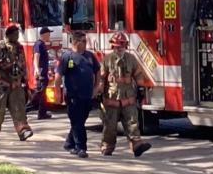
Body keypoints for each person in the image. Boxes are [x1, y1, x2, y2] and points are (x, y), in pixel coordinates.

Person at [96, 31, 152, 159]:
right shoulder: (107, 60)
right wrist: (99, 92)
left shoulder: (131, 59)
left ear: (126, 46)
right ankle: (107, 147)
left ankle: (137, 146)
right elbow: (101, 78)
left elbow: (138, 74)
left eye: (121, 45)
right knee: (110, 126)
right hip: (111, 99)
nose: (119, 48)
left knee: (132, 123)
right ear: (112, 47)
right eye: (116, 46)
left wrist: (141, 88)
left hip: (128, 99)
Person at [0, 24, 34, 141]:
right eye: (15, 34)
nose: (17, 36)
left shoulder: (19, 48)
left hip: (16, 84)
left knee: (19, 108)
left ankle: (23, 130)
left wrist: (24, 81)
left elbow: (23, 65)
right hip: (1, 85)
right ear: (9, 35)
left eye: (18, 34)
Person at [58, 30, 99, 157]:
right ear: (75, 42)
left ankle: (69, 143)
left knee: (80, 120)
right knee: (77, 121)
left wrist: (96, 87)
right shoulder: (67, 56)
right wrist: (58, 91)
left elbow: (97, 71)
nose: (86, 43)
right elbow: (58, 75)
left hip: (87, 95)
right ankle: (81, 147)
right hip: (72, 95)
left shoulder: (90, 56)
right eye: (84, 41)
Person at [30, 27, 55, 118]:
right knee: (40, 92)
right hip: (40, 72)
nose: (49, 36)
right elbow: (36, 56)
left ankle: (42, 113)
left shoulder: (42, 44)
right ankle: (28, 107)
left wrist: (48, 70)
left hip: (43, 71)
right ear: (44, 35)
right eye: (48, 34)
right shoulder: (39, 44)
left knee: (43, 93)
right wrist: (36, 69)